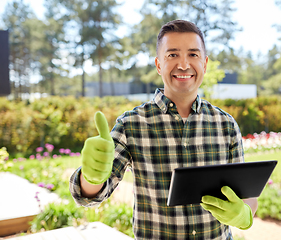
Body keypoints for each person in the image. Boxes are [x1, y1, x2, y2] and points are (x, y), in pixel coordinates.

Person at [69, 19, 258, 240]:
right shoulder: (131, 124)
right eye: (173, 55)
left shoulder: (226, 124)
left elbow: (246, 196)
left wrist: (245, 215)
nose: (184, 65)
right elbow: (89, 196)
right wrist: (91, 177)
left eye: (193, 55)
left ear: (205, 64)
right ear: (159, 65)